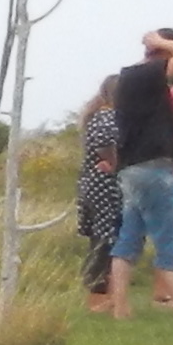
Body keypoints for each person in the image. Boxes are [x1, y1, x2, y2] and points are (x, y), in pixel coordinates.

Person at [101, 36, 173, 323]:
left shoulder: (130, 79)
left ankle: (121, 308)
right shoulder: (146, 74)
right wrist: (161, 40)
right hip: (153, 169)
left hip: (133, 169)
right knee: (170, 240)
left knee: (128, 239)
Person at [74, 80, 123, 298]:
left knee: (101, 233)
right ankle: (97, 282)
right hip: (104, 183)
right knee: (106, 235)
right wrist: (116, 164)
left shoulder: (100, 116)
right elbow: (104, 144)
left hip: (95, 183)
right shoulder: (106, 118)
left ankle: (100, 281)